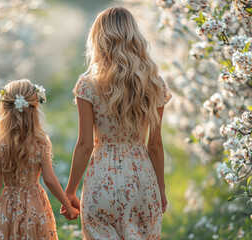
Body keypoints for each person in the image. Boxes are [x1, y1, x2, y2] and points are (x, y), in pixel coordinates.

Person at [61, 7, 172, 240]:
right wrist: (160, 190)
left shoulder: (88, 85)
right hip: (142, 181)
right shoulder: (154, 83)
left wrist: (69, 192)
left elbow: (84, 145)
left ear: (99, 39)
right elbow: (155, 146)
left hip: (102, 181)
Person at [0, 79, 79, 240]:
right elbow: (49, 179)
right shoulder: (40, 142)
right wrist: (68, 206)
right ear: (34, 108)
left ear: (5, 109)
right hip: (35, 206)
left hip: (8, 209)